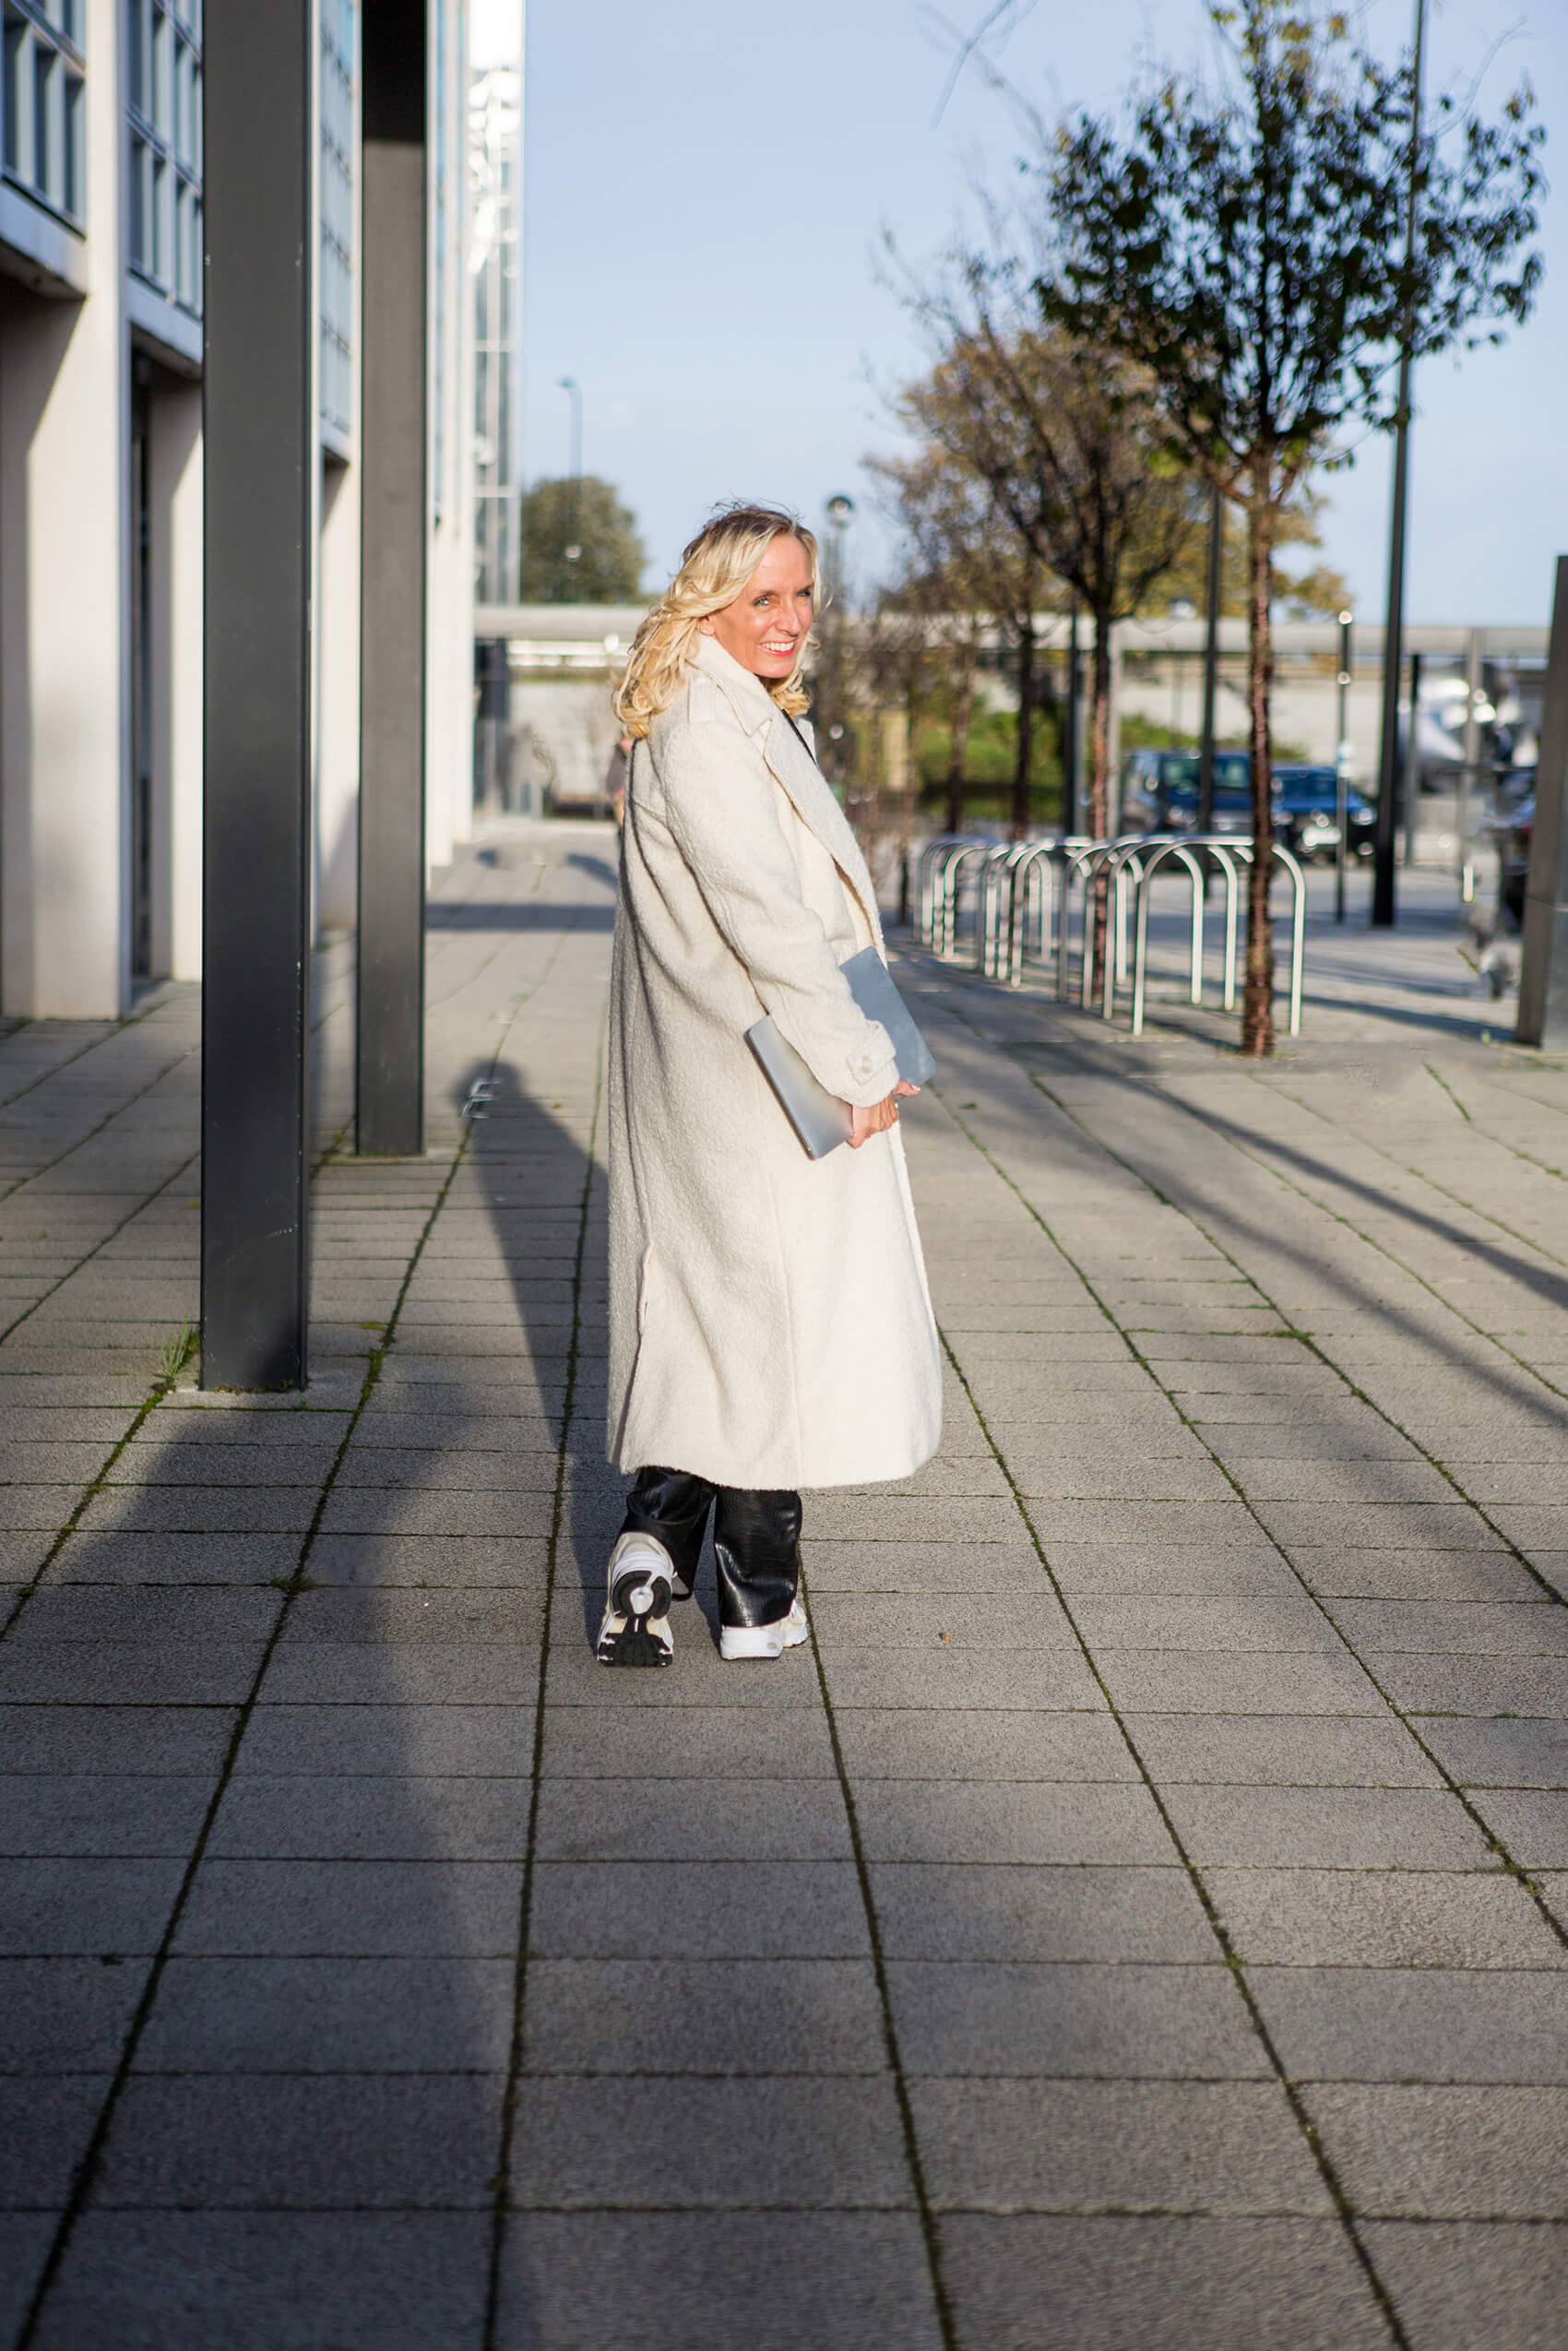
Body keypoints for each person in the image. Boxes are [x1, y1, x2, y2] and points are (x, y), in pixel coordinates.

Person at [598, 504, 942, 1666]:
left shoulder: (722, 706)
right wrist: (859, 1063)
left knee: (715, 1319)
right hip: (756, 1069)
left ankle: (650, 1550)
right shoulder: (703, 720)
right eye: (764, 598)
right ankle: (753, 1590)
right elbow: (767, 917)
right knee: (776, 1329)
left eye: (802, 596)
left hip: (723, 1064)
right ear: (712, 600)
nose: (791, 619)